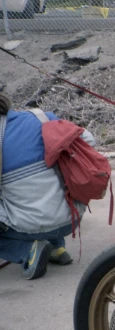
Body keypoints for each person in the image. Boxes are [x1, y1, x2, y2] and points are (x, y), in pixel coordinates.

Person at [0, 93, 89, 280]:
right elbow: (88, 141)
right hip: (70, 219)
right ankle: (57, 247)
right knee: (52, 182)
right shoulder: (42, 118)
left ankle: (27, 252)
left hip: (30, 227)